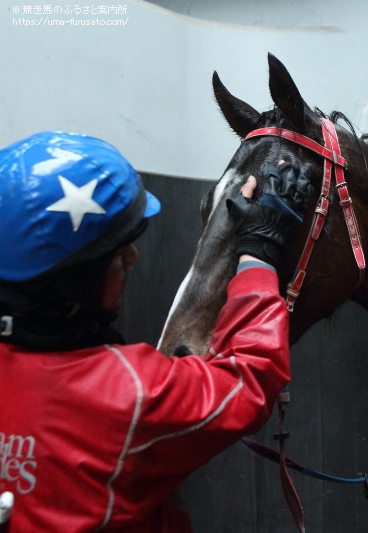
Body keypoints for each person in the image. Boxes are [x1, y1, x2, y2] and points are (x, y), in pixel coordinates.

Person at [0, 131, 313, 531]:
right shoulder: (129, 394)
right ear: (69, 283)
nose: (133, 257)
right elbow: (249, 378)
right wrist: (259, 253)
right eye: (116, 256)